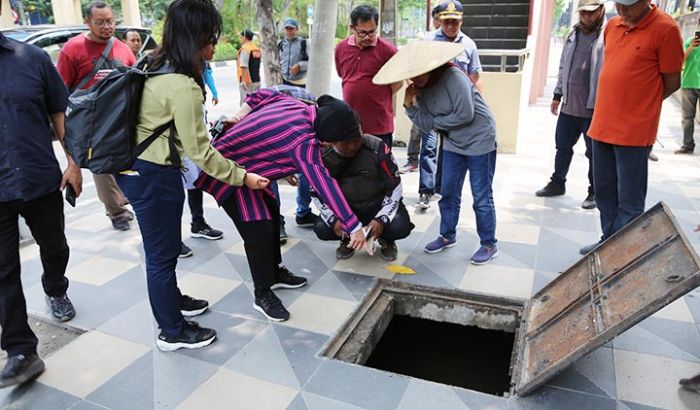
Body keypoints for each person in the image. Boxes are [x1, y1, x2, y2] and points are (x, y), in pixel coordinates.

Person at [115, 0, 269, 352]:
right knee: (161, 255)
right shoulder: (182, 85)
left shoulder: (154, 63)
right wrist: (242, 177)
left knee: (165, 250)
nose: (214, 46)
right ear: (194, 37)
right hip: (152, 175)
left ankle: (172, 300)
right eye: (211, 38)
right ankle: (171, 331)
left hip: (137, 168)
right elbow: (200, 152)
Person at [195, 91, 368, 322]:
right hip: (228, 172)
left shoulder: (294, 104)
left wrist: (239, 117)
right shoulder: (303, 142)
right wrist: (353, 225)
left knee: (272, 218)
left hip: (249, 171)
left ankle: (274, 272)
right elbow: (324, 183)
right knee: (258, 230)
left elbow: (258, 95)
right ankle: (262, 294)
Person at [0, 26, 82, 387]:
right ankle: (21, 350)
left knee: (55, 245)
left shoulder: (31, 59)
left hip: (39, 179)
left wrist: (73, 162)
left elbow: (58, 114)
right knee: (2, 270)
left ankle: (55, 287)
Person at [375, 41, 499, 265]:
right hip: (453, 143)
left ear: (431, 66)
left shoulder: (453, 77)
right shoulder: (418, 91)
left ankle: (489, 243)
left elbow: (465, 114)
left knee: (481, 197)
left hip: (480, 140)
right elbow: (425, 125)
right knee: (448, 192)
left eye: (419, 73)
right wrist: (409, 106)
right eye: (411, 75)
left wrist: (436, 124)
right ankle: (447, 235)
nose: (415, 78)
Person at [580, 0, 683, 255]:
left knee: (630, 200)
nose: (622, 10)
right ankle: (608, 243)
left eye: (629, 5)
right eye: (618, 3)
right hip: (602, 125)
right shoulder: (613, 25)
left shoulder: (666, 29)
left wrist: (639, 104)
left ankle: (623, 255)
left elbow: (672, 81)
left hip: (635, 131)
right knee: (604, 192)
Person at [56, 1, 136, 232]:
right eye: (99, 22)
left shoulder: (122, 48)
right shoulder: (72, 49)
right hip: (90, 122)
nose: (106, 26)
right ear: (87, 22)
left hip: (121, 119)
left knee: (126, 162)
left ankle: (127, 200)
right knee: (101, 167)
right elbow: (62, 90)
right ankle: (117, 212)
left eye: (110, 21)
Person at [535, 0, 605, 210]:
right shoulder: (573, 35)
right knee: (562, 147)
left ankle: (595, 192)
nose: (586, 17)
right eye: (583, 13)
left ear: (601, 11)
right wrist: (557, 94)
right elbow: (563, 65)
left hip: (592, 109)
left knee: (594, 153)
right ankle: (558, 183)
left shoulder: (607, 36)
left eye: (591, 13)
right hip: (569, 106)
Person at [314, 133, 414, 261]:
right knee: (322, 228)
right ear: (334, 142)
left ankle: (387, 240)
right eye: (345, 143)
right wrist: (333, 220)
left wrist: (381, 220)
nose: (352, 147)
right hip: (345, 210)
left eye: (356, 140)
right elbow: (317, 194)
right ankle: (347, 240)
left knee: (400, 226)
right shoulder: (322, 155)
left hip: (377, 205)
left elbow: (394, 186)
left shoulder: (377, 147)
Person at [335, 5, 401, 147]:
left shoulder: (388, 50)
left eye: (372, 32)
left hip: (379, 125)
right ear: (352, 28)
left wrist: (379, 95)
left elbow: (398, 81)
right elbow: (343, 76)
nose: (367, 37)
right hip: (351, 123)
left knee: (381, 166)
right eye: (362, 33)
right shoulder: (341, 48)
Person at [400, 5, 441, 174]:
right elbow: (410, 66)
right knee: (417, 129)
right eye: (438, 18)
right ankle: (412, 160)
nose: (441, 22)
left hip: (441, 97)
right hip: (421, 96)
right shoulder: (426, 40)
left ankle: (433, 178)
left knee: (434, 140)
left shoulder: (457, 42)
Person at [674, 29, 700, 154]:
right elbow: (680, 60)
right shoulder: (689, 41)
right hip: (689, 83)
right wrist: (691, 47)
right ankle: (687, 145)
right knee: (687, 117)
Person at [279, 18, 308, 87]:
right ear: (284, 30)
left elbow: (312, 62)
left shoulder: (304, 43)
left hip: (300, 83)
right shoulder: (280, 44)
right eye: (287, 29)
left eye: (291, 29)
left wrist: (300, 66)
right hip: (284, 82)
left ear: (297, 29)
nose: (289, 32)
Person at [237, 29, 261, 104]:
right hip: (256, 80)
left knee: (245, 104)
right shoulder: (256, 49)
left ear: (244, 37)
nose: (240, 39)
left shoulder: (245, 49)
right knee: (255, 102)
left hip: (247, 82)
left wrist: (243, 80)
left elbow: (244, 65)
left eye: (241, 37)